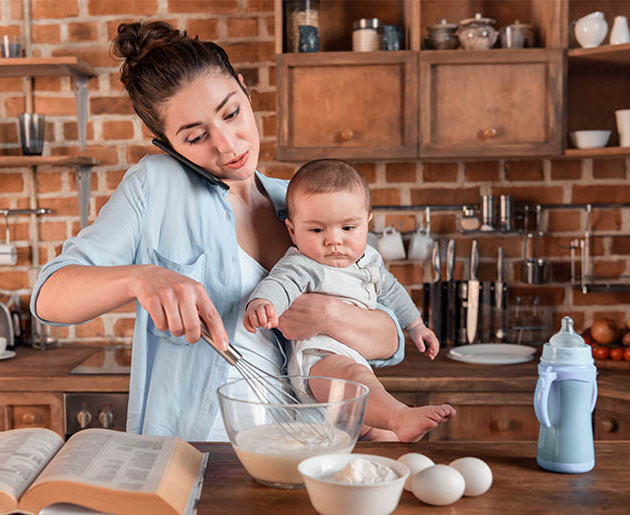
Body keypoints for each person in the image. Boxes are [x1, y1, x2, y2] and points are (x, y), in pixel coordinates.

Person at [31, 21, 406, 441]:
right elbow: (49, 296)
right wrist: (139, 278)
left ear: (246, 91)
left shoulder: (300, 204)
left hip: (309, 447)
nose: (228, 144)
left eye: (232, 113)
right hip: (198, 452)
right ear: (168, 144)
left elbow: (389, 337)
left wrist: (330, 315)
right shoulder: (155, 187)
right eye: (196, 136)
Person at [244, 159, 455, 441]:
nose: (334, 240)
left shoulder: (370, 260)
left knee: (378, 431)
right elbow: (280, 285)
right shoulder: (303, 263)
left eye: (347, 228)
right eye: (317, 230)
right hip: (319, 358)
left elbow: (392, 291)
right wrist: (262, 303)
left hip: (355, 358)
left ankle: (398, 453)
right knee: (355, 377)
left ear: (367, 222)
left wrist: (416, 325)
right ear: (292, 230)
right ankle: (399, 416)